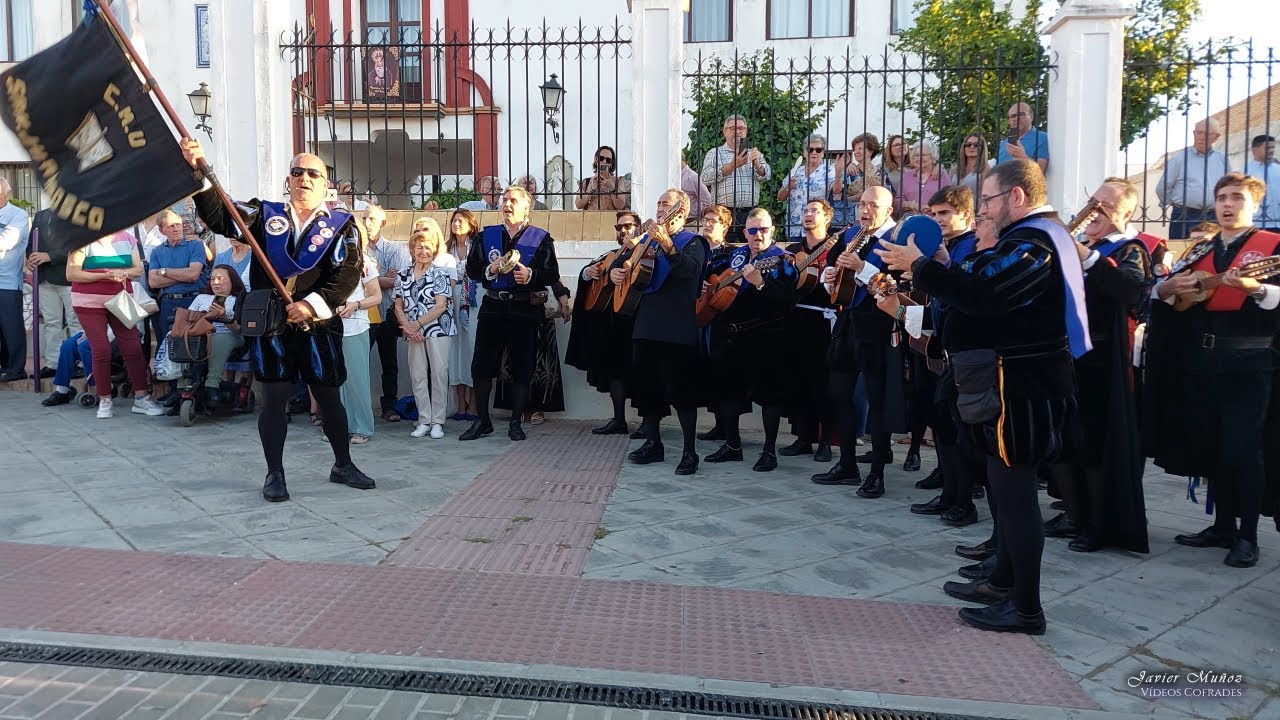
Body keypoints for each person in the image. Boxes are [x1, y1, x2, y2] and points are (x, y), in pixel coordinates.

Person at [877, 158, 1086, 636]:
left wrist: (924, 267)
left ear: (1017, 196)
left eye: (989, 199)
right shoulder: (1029, 239)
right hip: (1005, 385)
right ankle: (1002, 581)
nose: (983, 210)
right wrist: (945, 267)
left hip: (1021, 389)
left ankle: (1027, 608)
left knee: (1015, 497)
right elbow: (983, 285)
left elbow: (985, 295)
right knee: (1001, 487)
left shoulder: (1038, 242)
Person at [181, 137, 375, 502]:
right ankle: (275, 473)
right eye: (297, 171)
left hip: (318, 324)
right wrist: (200, 172)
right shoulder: (263, 214)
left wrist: (313, 304)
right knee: (274, 399)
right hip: (271, 324)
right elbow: (222, 216)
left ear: (325, 183)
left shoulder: (342, 224)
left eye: (312, 173)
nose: (303, 177)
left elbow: (347, 274)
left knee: (329, 399)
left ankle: (343, 464)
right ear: (288, 179)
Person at [1144, 172, 1280, 569]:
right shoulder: (1201, 250)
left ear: (1254, 203)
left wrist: (1256, 289)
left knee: (1243, 449)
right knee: (1212, 444)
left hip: (1251, 363)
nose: (1227, 204)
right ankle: (1221, 525)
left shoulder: (1271, 246)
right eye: (1222, 197)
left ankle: (1248, 535)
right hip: (1201, 361)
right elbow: (1165, 292)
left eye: (1237, 197)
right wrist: (1165, 291)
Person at [1041, 178, 1152, 554]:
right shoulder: (1075, 244)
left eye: (1106, 204)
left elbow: (1131, 290)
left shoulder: (1130, 249)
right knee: (1061, 441)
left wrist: (1085, 256)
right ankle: (1073, 513)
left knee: (1092, 445)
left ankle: (1098, 523)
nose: (1095, 208)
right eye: (1093, 200)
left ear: (1125, 213)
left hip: (1101, 360)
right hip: (1062, 355)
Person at [811, 185, 907, 499]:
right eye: (862, 204)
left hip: (879, 324)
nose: (865, 210)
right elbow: (838, 276)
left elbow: (893, 285)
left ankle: (877, 472)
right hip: (850, 322)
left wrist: (862, 268)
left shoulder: (897, 239)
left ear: (889, 210)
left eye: (873, 205)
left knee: (877, 400)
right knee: (837, 392)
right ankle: (848, 463)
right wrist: (830, 277)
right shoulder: (854, 234)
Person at [898, 186, 986, 528]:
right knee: (943, 425)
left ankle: (964, 500)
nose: (938, 221)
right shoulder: (943, 246)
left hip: (965, 352)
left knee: (960, 430)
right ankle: (952, 494)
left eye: (945, 213)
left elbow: (963, 291)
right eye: (933, 215)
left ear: (966, 214)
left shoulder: (972, 245)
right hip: (941, 347)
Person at [616, 189, 708, 475]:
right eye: (657, 203)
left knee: (682, 392)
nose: (659, 208)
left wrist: (667, 244)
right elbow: (625, 267)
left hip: (676, 324)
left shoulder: (694, 242)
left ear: (680, 212)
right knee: (647, 388)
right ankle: (653, 443)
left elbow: (690, 273)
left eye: (665, 204)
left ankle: (690, 452)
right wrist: (616, 273)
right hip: (646, 322)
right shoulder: (645, 241)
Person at [461, 185, 560, 442]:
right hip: (493, 306)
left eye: (513, 200)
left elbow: (552, 274)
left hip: (524, 308)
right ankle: (483, 422)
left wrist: (532, 275)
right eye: (504, 200)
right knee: (482, 365)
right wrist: (489, 270)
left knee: (522, 366)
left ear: (527, 206)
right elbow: (472, 269)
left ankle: (516, 422)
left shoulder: (541, 238)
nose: (507, 204)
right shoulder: (487, 236)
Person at [703, 208, 798, 471]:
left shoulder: (782, 260)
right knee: (729, 392)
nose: (758, 235)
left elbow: (787, 299)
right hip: (733, 335)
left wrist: (760, 284)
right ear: (745, 232)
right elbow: (714, 278)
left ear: (772, 231)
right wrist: (708, 287)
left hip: (766, 336)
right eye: (753, 230)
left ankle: (769, 451)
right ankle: (732, 444)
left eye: (763, 229)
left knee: (769, 396)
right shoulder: (736, 255)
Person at [66, 231, 167, 418]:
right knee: (101, 349)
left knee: (133, 347)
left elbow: (138, 270)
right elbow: (72, 273)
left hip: (121, 300)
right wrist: (105, 275)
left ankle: (141, 398)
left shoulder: (127, 238)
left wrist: (124, 272)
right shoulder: (82, 238)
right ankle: (104, 399)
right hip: (88, 303)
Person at [566, 210, 641, 435]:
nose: (623, 231)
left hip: (637, 322)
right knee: (615, 373)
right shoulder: (610, 254)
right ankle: (619, 419)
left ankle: (649, 423)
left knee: (644, 374)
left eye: (628, 226)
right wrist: (586, 273)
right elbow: (591, 273)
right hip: (613, 326)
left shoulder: (646, 252)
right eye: (619, 227)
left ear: (639, 228)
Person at [780, 199, 839, 462]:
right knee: (798, 379)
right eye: (805, 211)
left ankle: (825, 440)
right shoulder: (793, 251)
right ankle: (803, 437)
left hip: (823, 322)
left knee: (822, 382)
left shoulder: (837, 248)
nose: (807, 215)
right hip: (797, 318)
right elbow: (785, 284)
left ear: (827, 218)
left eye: (814, 211)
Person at [395, 225, 455, 439]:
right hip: (412, 332)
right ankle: (424, 420)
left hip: (438, 329)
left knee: (439, 374)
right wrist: (409, 328)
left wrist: (416, 325)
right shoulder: (402, 275)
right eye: (419, 247)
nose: (423, 252)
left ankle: (438, 421)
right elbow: (398, 306)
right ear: (412, 249)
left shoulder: (440, 273)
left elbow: (440, 306)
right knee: (417, 375)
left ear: (434, 250)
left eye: (428, 247)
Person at [360, 204, 409, 423]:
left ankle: (389, 406)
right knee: (358, 363)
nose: (366, 223)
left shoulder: (395, 249)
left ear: (383, 223)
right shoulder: (357, 250)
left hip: (387, 315)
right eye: (364, 218)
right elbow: (356, 281)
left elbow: (399, 282)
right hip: (364, 316)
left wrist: (371, 279)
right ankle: (359, 407)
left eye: (371, 219)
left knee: (389, 363)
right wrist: (382, 278)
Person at [496, 280, 570, 424]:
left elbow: (558, 285)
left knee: (542, 366)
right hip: (515, 317)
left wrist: (565, 305)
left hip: (542, 321)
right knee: (516, 362)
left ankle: (538, 408)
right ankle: (519, 407)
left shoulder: (544, 263)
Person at [334, 229, 382, 444]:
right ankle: (339, 426)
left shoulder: (364, 264)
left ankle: (362, 427)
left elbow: (376, 296)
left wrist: (355, 305)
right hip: (330, 327)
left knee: (357, 380)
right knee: (335, 381)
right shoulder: (326, 263)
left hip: (355, 326)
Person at [25, 211, 83, 379]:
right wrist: (31, 258)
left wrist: (50, 256)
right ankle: (54, 363)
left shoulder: (78, 213)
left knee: (75, 321)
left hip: (68, 277)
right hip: (44, 277)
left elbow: (78, 245)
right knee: (51, 322)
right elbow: (31, 243)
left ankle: (77, 363)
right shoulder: (41, 215)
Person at [1156, 119, 1230, 239]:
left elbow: (1228, 187)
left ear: (1216, 137)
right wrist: (1177, 204)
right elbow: (1163, 187)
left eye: (1207, 134)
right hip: (1184, 215)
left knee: (1214, 252)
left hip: (1214, 215)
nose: (1201, 137)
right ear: (1194, 133)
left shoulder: (1222, 160)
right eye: (1199, 132)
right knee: (1181, 251)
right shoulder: (1180, 158)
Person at [701, 114, 771, 233]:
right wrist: (732, 166)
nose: (738, 131)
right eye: (733, 128)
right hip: (723, 213)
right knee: (723, 248)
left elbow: (767, 175)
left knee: (749, 249)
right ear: (725, 131)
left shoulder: (753, 153)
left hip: (750, 212)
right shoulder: (715, 153)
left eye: (741, 128)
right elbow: (705, 178)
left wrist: (758, 166)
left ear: (746, 131)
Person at [147, 209, 208, 343]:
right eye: (170, 226)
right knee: (167, 345)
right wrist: (183, 275)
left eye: (178, 224)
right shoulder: (157, 251)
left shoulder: (196, 245)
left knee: (194, 344)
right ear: (162, 230)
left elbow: (193, 275)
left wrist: (164, 271)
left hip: (193, 300)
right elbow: (153, 283)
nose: (176, 229)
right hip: (168, 303)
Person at [446, 209, 481, 421]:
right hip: (450, 301)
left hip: (473, 300)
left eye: (461, 220)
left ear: (470, 225)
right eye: (454, 220)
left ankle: (474, 403)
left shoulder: (477, 246)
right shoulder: (446, 248)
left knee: (472, 347)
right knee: (454, 349)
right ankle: (460, 403)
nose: (457, 224)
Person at [777, 133, 837, 241]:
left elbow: (837, 190)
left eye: (818, 150)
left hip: (816, 227)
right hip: (794, 227)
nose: (814, 152)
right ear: (804, 153)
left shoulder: (829, 170)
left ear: (823, 153)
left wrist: (840, 171)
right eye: (810, 149)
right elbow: (780, 197)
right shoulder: (795, 171)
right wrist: (788, 187)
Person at [0, 179, 31, 382]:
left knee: (11, 326)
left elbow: (6, 241)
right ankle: (4, 366)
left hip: (8, 280)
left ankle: (17, 369)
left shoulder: (18, 215)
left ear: (3, 194)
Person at [831, 133, 893, 228]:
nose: (856, 152)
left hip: (875, 219)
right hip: (851, 219)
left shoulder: (881, 173)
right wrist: (838, 171)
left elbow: (888, 194)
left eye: (860, 148)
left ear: (870, 151)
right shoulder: (850, 171)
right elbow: (836, 192)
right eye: (855, 149)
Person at [898, 139, 952, 215]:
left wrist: (932, 207)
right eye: (916, 155)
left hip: (935, 220)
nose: (919, 158)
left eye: (923, 155)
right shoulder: (907, 176)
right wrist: (909, 205)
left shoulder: (942, 174)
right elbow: (898, 200)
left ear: (933, 157)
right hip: (911, 220)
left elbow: (949, 198)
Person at [997, 102, 1050, 173]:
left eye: (1021, 114)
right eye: (1013, 116)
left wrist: (1022, 156)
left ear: (1031, 116)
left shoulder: (1042, 137)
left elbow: (1040, 170)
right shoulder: (1004, 143)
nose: (1016, 118)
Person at [576, 145, 631, 211]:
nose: (604, 162)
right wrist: (591, 191)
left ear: (611, 164)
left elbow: (620, 206)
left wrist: (612, 189)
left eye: (608, 160)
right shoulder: (586, 182)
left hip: (611, 220)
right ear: (595, 160)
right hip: (590, 220)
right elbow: (578, 205)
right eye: (601, 158)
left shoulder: (618, 181)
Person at [1244, 134, 1279, 230]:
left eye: (1273, 147)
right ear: (1255, 150)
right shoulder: (1246, 172)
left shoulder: (1278, 169)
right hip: (1259, 224)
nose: (1271, 151)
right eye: (1267, 148)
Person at [951, 132, 993, 197]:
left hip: (975, 206)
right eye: (968, 145)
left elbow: (986, 195)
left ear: (982, 149)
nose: (972, 147)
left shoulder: (985, 168)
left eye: (976, 145)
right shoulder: (956, 168)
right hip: (954, 206)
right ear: (964, 148)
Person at [680, 160, 715, 225]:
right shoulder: (676, 176)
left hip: (691, 222)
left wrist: (703, 218)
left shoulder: (693, 177)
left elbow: (708, 200)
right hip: (677, 222)